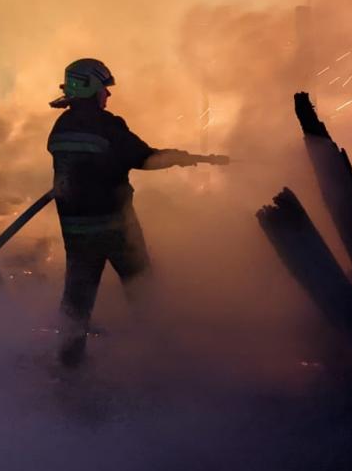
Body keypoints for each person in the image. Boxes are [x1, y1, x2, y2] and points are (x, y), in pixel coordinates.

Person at [47, 58, 228, 366]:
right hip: (116, 229)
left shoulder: (62, 127)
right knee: (142, 291)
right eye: (104, 88)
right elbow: (144, 158)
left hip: (76, 230)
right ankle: (157, 358)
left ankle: (68, 364)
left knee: (77, 301)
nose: (108, 94)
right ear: (90, 87)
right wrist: (181, 157)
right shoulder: (107, 126)